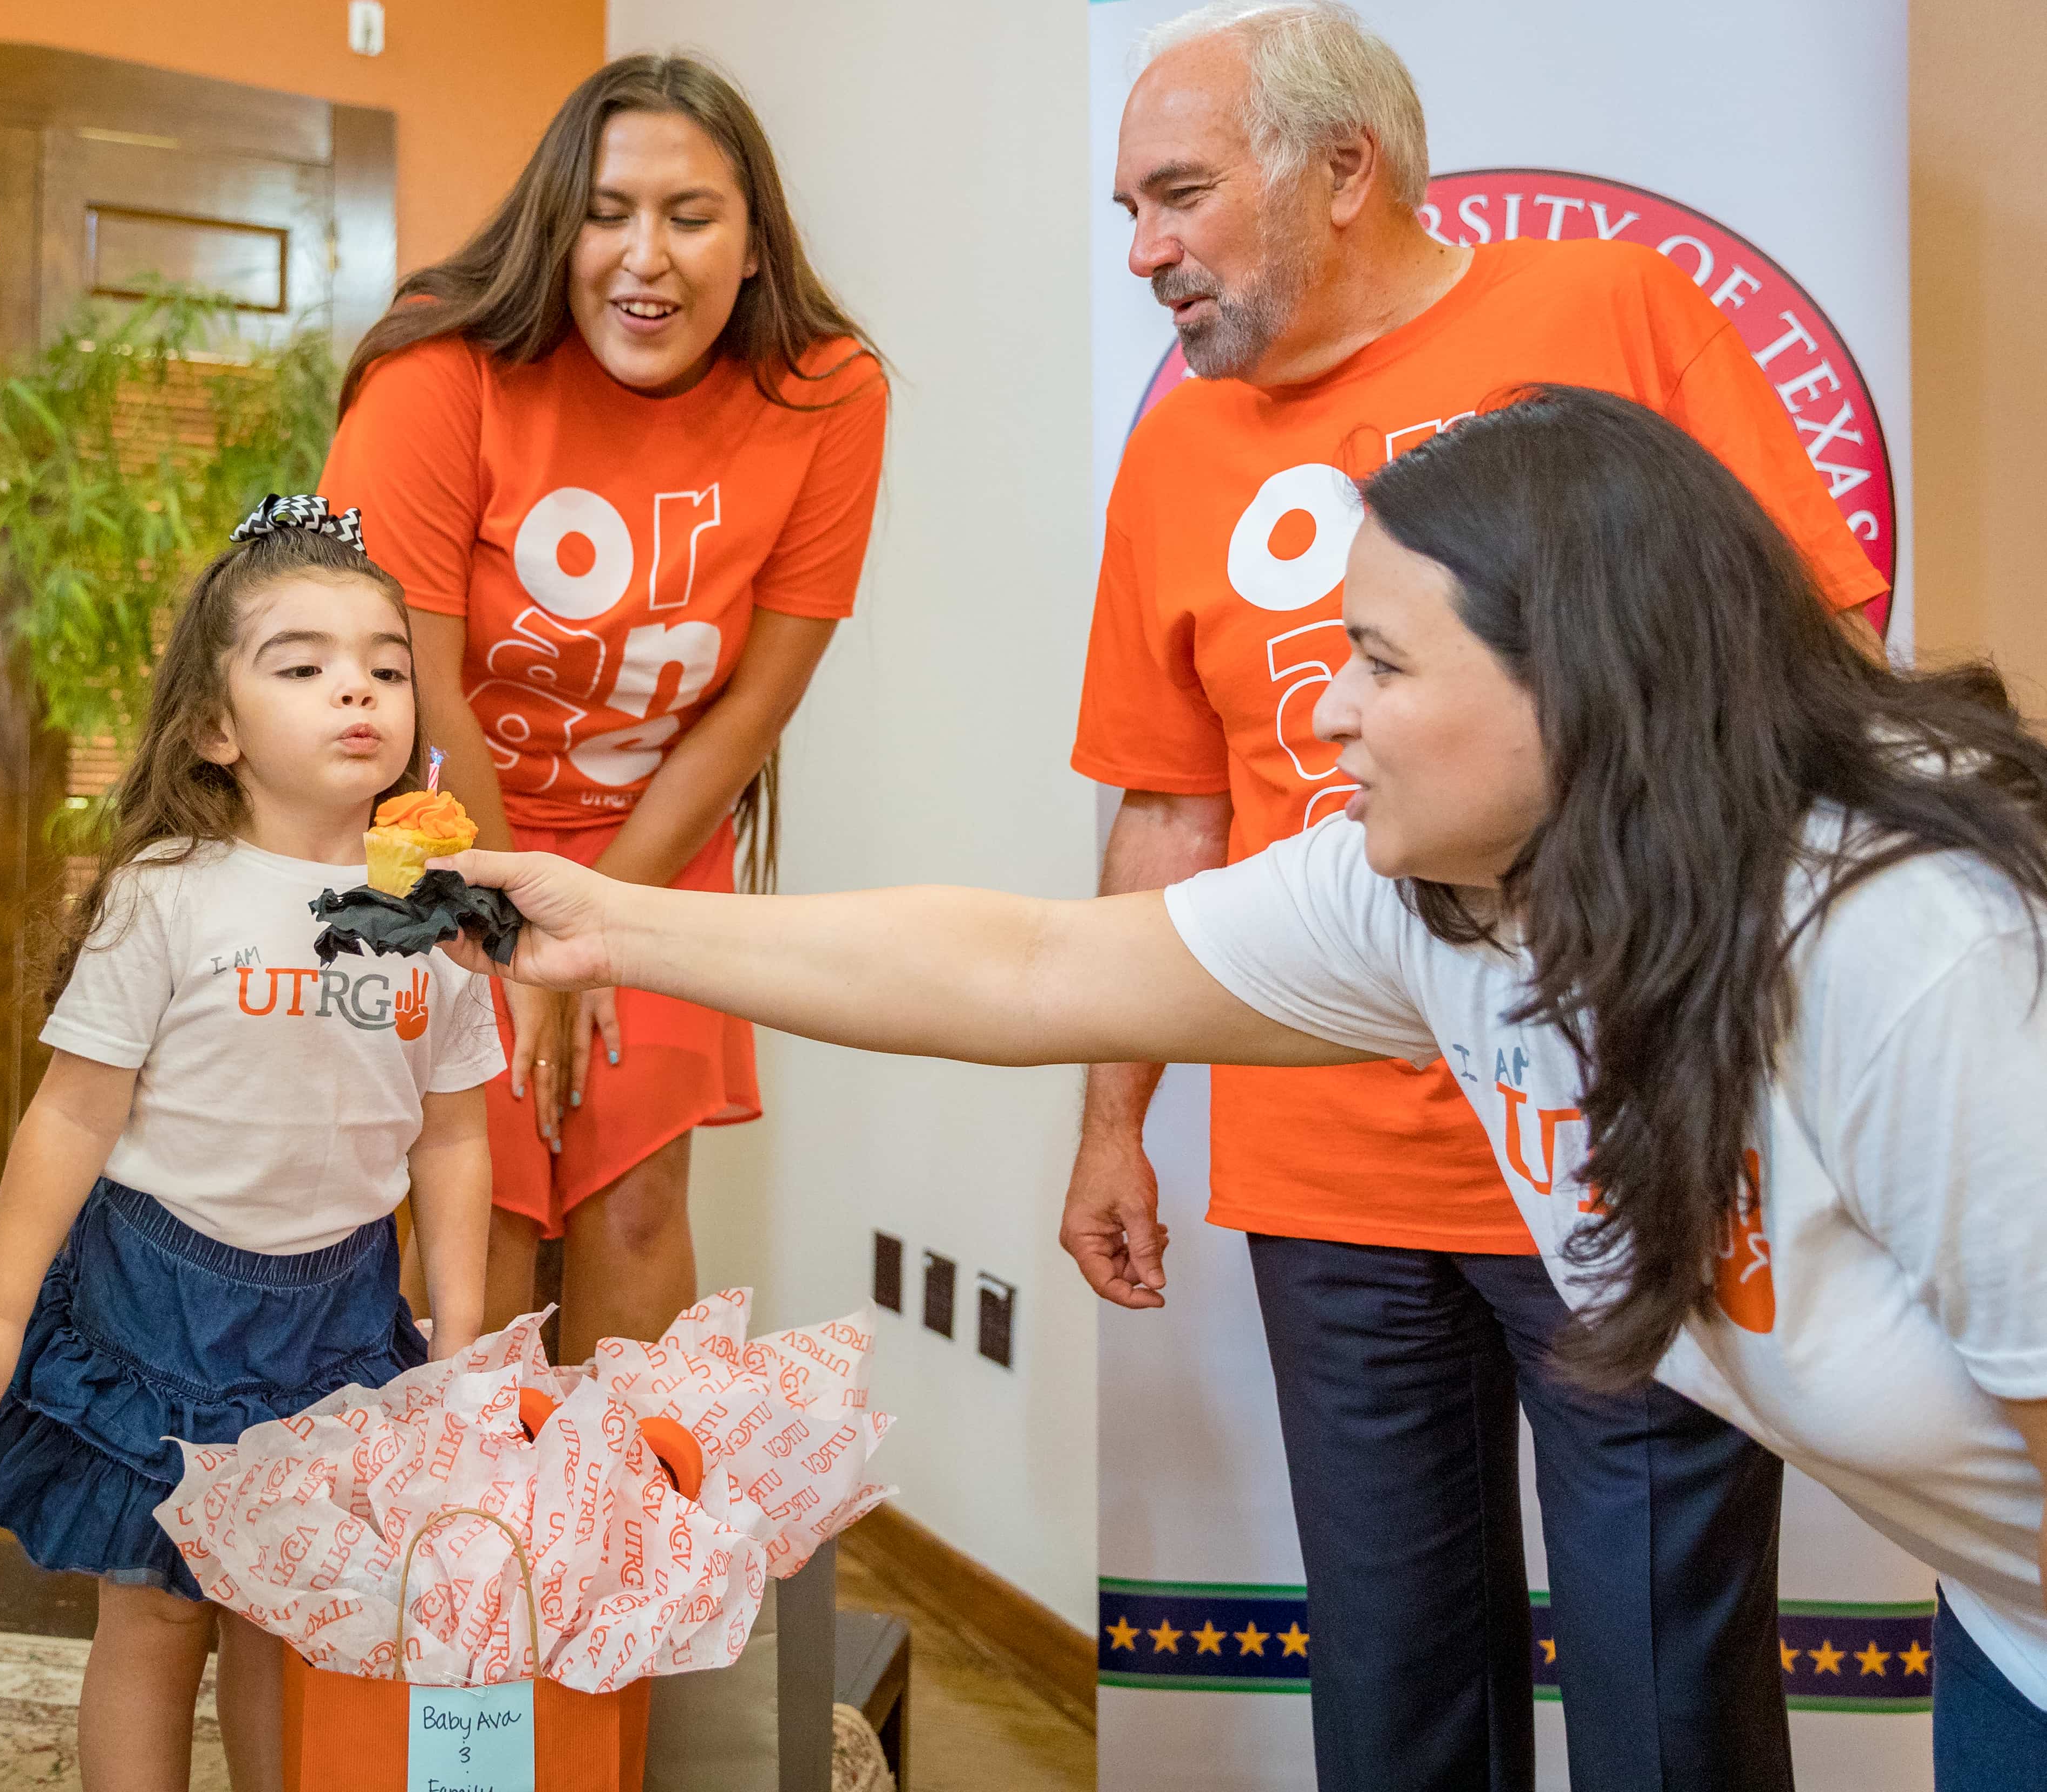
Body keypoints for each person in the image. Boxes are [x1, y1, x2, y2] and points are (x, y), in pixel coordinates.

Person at [428, 389, 2047, 1789]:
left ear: (1582, 683)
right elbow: (1030, 972)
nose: (1321, 708)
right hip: (2007, 1616)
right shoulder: (1432, 892)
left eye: (1377, 661)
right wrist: (611, 924)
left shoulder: (1907, 952)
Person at [1069, 0, 1889, 1786]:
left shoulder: (1609, 318)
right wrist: (1110, 1122)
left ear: (1342, 168)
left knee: (1663, 1690)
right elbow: (1168, 804)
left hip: (1629, 1141)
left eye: (1179, 195)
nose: (1145, 251)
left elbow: (1809, 665)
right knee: (1391, 1688)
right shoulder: (1174, 449)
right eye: (1127, 209)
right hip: (1325, 1172)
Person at [0, 499, 502, 1791]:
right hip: (160, 1296)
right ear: (216, 728)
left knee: (288, 1615)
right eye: (305, 664)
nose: (358, 691)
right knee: (156, 1613)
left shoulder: (443, 924)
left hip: (338, 1310)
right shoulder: (169, 892)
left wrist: (461, 1329)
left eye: (386, 665)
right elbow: (72, 1113)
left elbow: (451, 1142)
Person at [322, 53, 886, 1365]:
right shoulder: (441, 367)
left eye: (691, 217)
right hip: (448, 826)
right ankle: (465, 1545)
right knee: (487, 1194)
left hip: (660, 834)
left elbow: (751, 710)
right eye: (609, 212)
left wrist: (610, 924)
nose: (647, 257)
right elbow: (419, 679)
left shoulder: (826, 392)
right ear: (554, 227)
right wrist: (518, 928)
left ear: (753, 248)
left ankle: (613, 1550)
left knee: (639, 1199)